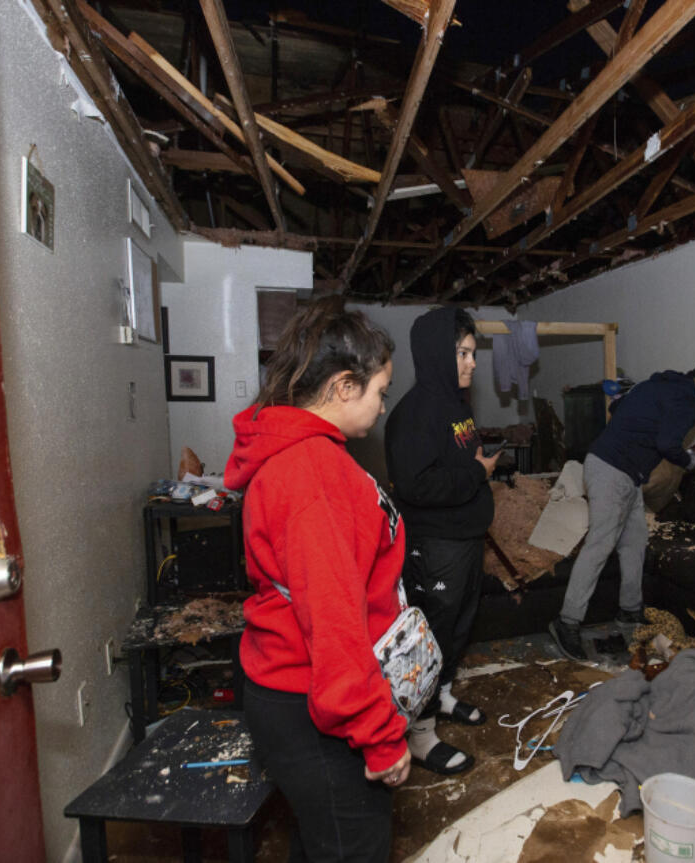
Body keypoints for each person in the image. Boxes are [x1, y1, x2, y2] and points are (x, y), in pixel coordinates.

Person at [223, 297, 408, 863]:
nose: (382, 407)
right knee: (357, 846)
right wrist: (379, 735)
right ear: (343, 387)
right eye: (379, 391)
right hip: (314, 705)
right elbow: (331, 621)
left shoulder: (305, 455)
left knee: (321, 838)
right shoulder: (311, 473)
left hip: (296, 694)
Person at [548, 354, 695, 661]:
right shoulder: (687, 402)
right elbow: (669, 443)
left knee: (634, 542)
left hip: (622, 473)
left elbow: (617, 407)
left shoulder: (656, 384)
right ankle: (567, 622)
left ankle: (630, 611)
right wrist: (688, 460)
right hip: (612, 471)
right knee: (600, 545)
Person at [384, 307, 499, 775]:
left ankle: (444, 696)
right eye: (464, 353)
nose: (473, 363)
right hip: (436, 546)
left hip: (466, 539)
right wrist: (476, 471)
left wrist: (472, 468)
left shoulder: (457, 405)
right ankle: (421, 735)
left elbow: (454, 463)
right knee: (431, 638)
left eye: (474, 353)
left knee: (459, 626)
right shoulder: (413, 414)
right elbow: (416, 486)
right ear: (436, 354)